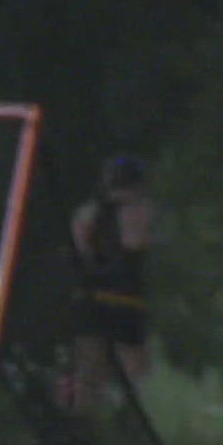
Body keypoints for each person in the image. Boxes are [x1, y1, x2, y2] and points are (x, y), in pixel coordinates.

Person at [70, 154, 157, 408]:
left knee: (88, 371)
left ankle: (85, 419)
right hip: (128, 301)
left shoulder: (86, 213)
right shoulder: (144, 212)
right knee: (133, 375)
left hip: (93, 299)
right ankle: (121, 422)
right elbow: (145, 248)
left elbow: (81, 254)